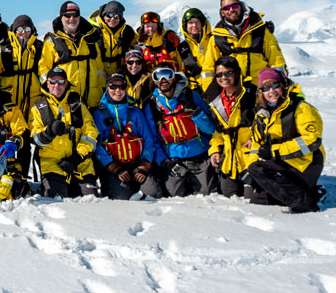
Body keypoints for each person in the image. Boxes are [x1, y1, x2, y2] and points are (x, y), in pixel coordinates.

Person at [245, 68, 325, 213]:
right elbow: (257, 144)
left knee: (260, 170)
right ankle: (310, 192)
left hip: (306, 163)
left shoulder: (301, 108)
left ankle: (305, 203)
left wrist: (275, 151)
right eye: (266, 87)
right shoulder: (262, 114)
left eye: (275, 85)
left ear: (284, 85)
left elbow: (311, 141)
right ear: (261, 91)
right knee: (258, 200)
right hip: (283, 162)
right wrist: (252, 170)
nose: (272, 91)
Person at [145, 64, 218, 197]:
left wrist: (195, 114)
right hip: (173, 157)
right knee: (175, 195)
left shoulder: (191, 96)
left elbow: (210, 129)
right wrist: (164, 161)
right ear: (154, 80)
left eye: (167, 74)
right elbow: (152, 139)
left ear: (174, 76)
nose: (163, 80)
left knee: (207, 193)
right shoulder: (151, 104)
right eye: (158, 76)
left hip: (198, 153)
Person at [29, 67, 100, 198]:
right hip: (52, 164)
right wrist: (49, 132)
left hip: (80, 164)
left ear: (66, 83)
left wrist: (77, 157)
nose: (57, 85)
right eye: (53, 82)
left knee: (90, 201)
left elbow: (91, 133)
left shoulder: (78, 104)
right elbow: (35, 138)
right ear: (47, 83)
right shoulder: (38, 107)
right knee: (57, 199)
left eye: (61, 82)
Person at [92, 73, 161, 200]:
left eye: (121, 86)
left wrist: (144, 164)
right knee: (119, 197)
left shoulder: (135, 111)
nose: (117, 90)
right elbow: (97, 145)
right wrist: (113, 167)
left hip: (136, 164)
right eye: (113, 86)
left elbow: (148, 139)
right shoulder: (99, 114)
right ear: (107, 88)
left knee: (153, 193)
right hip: (114, 166)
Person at [200, 0, 287, 90]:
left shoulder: (261, 31)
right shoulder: (217, 37)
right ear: (222, 12)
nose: (231, 10)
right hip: (232, 93)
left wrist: (277, 88)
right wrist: (211, 95)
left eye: (234, 5)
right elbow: (208, 70)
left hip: (261, 90)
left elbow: (276, 61)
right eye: (226, 8)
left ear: (241, 6)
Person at [204, 56, 257, 198]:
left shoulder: (251, 95)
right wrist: (215, 150)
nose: (223, 77)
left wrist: (256, 140)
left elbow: (265, 122)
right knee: (228, 195)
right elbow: (218, 132)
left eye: (228, 73)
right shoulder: (215, 99)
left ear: (236, 73)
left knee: (252, 198)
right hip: (229, 160)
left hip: (249, 157)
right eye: (219, 74)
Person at [0, 15, 43, 176]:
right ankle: (4, 173)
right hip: (10, 103)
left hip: (31, 100)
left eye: (27, 29)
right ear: (14, 31)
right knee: (6, 138)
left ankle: (21, 175)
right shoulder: (3, 50)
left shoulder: (38, 48)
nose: (24, 32)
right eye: (20, 29)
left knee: (25, 139)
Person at [39, 1, 106, 109]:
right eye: (67, 15)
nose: (72, 19)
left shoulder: (91, 39)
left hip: (93, 101)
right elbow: (43, 68)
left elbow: (100, 69)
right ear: (61, 17)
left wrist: (101, 90)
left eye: (75, 15)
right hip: (66, 102)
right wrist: (52, 91)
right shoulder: (51, 42)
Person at [90, 0, 136, 77]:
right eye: (109, 15)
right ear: (103, 15)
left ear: (120, 18)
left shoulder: (127, 32)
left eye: (116, 16)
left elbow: (139, 43)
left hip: (120, 76)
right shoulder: (92, 31)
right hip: (97, 76)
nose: (112, 19)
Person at [180, 7, 211, 83]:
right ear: (185, 25)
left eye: (197, 22)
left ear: (202, 24)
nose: (194, 25)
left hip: (215, 85)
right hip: (194, 88)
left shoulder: (213, 40)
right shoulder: (182, 47)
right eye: (190, 22)